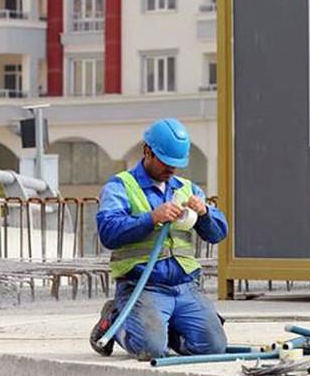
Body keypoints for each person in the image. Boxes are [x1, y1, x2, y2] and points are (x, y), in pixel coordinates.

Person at [89, 118, 228, 360]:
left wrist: (205, 212)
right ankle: (114, 320)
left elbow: (218, 234)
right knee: (151, 351)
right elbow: (108, 233)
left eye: (177, 164)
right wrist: (150, 218)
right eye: (166, 162)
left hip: (185, 287)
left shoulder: (188, 189)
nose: (171, 169)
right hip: (144, 286)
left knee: (214, 348)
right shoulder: (121, 186)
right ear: (147, 152)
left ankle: (168, 327)